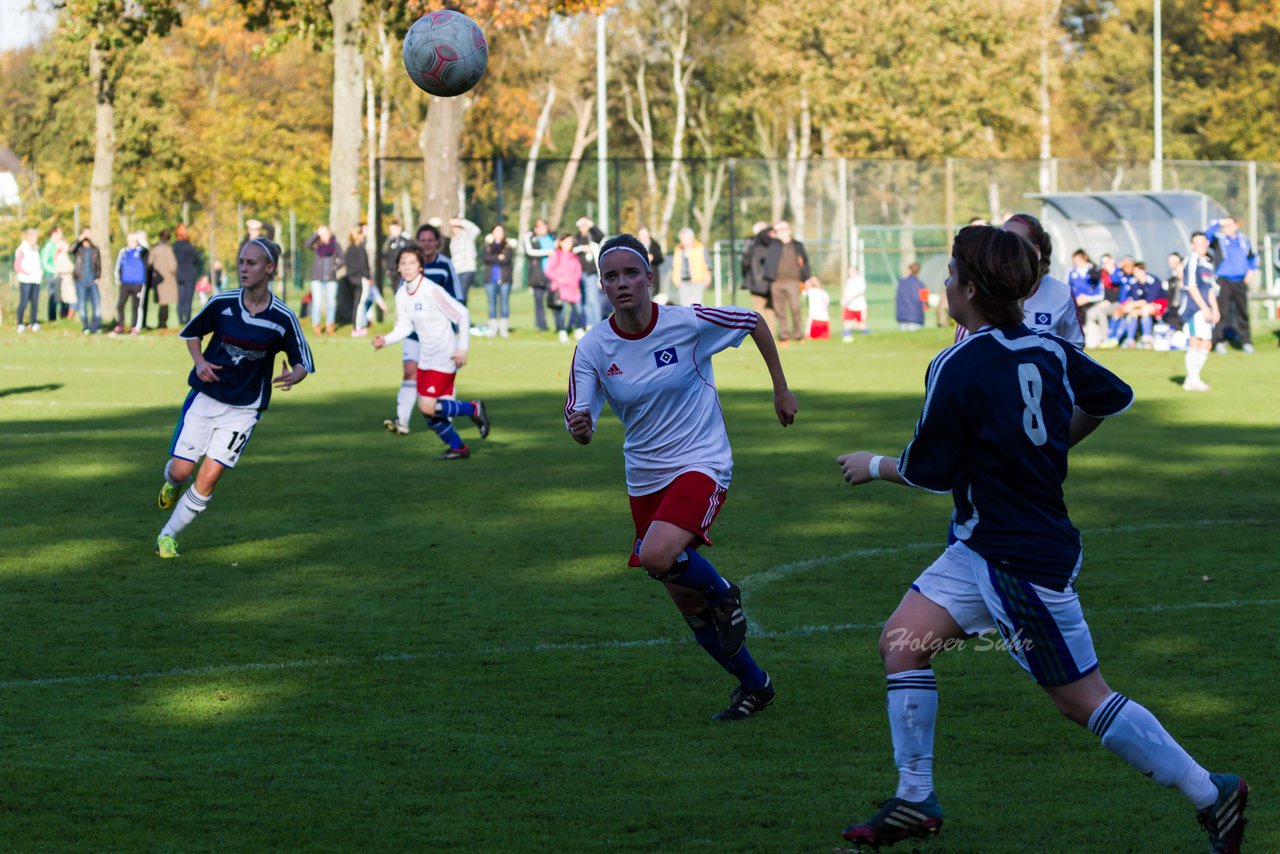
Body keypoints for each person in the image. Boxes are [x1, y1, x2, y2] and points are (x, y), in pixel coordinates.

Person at [835, 224, 1248, 851]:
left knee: (1082, 699)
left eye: (949, 275)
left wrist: (872, 464)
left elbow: (928, 470)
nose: (944, 284)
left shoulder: (956, 361)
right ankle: (915, 800)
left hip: (1017, 559)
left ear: (969, 290)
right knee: (902, 641)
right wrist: (1051, 443)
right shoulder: (1048, 347)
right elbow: (1114, 394)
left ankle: (1211, 794)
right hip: (980, 545)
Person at [565, 233, 798, 720]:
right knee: (685, 602)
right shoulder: (592, 346)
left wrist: (780, 388)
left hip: (701, 461)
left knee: (658, 554)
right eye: (612, 276)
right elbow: (580, 419)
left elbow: (754, 320)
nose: (622, 283)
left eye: (632, 273)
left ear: (651, 277)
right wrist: (581, 427)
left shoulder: (687, 322)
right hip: (644, 478)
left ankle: (726, 593)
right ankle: (756, 685)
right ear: (602, 285)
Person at [156, 237, 314, 559]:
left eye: (251, 263)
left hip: (244, 409)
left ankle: (168, 535)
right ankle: (170, 481)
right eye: (241, 261)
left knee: (210, 476)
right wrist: (200, 362)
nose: (244, 268)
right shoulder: (223, 303)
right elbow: (191, 333)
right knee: (181, 472)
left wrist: (294, 376)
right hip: (207, 397)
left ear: (269, 269)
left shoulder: (282, 317)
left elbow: (303, 362)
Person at [373, 244, 490, 460]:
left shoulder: (431, 290)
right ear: (397, 268)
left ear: (420, 267)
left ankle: (473, 409)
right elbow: (404, 327)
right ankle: (458, 448)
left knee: (427, 405)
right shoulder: (402, 295)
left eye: (412, 263)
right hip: (425, 356)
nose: (407, 267)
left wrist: (462, 348)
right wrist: (386, 340)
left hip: (445, 353)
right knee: (430, 413)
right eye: (403, 263)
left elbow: (462, 314)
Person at [383, 224, 463, 435]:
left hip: (439, 335)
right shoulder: (409, 267)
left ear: (437, 242)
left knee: (443, 380)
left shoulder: (445, 266)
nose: (427, 244)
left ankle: (448, 419)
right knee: (410, 372)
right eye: (423, 240)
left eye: (430, 240)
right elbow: (405, 299)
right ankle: (402, 421)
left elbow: (457, 301)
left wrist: (457, 340)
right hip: (413, 333)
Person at [1002, 213, 1085, 346]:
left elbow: (1075, 345)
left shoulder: (1061, 293)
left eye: (1014, 243)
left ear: (1035, 251)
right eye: (1000, 242)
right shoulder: (983, 291)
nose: (1004, 250)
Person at [1204, 216, 1258, 354]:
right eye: (1225, 226)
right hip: (1224, 280)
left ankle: (1245, 341)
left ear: (1236, 225)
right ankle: (1218, 341)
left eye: (1229, 225)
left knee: (1242, 312)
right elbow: (1206, 235)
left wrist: (1251, 272)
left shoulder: (1244, 240)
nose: (1226, 228)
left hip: (1240, 281)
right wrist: (1219, 222)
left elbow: (1253, 258)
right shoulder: (1219, 240)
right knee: (1221, 312)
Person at [1179, 232, 1221, 392]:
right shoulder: (1191, 259)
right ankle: (1193, 381)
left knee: (1206, 344)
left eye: (1203, 243)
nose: (1201, 246)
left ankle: (1193, 379)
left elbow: (1210, 289)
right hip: (1193, 309)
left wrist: (1214, 309)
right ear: (1192, 245)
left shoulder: (1208, 263)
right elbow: (1190, 286)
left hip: (1206, 309)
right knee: (1195, 341)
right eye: (1197, 243)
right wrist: (1203, 308)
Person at [762, 221, 809, 345]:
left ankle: (799, 335)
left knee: (795, 308)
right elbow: (762, 236)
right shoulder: (773, 244)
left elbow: (805, 262)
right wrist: (774, 227)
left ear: (789, 230)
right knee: (779, 310)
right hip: (776, 282)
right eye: (779, 230)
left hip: (793, 281)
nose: (782, 232)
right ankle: (784, 336)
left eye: (784, 229)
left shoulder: (797, 245)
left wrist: (806, 278)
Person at [546, 233, 584, 343]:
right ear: (561, 243)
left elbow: (578, 270)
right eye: (567, 241)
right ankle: (562, 331)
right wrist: (558, 279)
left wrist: (576, 283)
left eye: (570, 241)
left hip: (574, 288)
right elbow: (549, 270)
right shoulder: (556, 255)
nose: (569, 244)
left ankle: (578, 329)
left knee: (578, 310)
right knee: (562, 311)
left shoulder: (573, 256)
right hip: (561, 288)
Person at [306, 225, 344, 335]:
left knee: (331, 303)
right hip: (316, 278)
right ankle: (316, 326)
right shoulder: (316, 245)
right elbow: (307, 244)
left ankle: (329, 325)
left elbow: (342, 259)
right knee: (317, 302)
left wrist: (334, 267)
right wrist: (316, 234)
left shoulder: (336, 246)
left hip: (331, 279)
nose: (324, 235)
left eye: (326, 232)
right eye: (322, 234)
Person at [481, 224, 516, 338]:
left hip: (505, 279)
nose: (499, 234)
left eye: (501, 231)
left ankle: (503, 329)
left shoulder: (507, 246)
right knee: (492, 304)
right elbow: (486, 258)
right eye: (496, 231)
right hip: (490, 279)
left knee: (504, 304)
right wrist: (498, 257)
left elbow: (506, 259)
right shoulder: (488, 246)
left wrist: (496, 257)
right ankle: (493, 329)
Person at [1068, 249, 1108, 348]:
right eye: (1075, 261)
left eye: (1079, 260)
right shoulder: (1071, 272)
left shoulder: (1095, 271)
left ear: (1085, 258)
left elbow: (1101, 294)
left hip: (1092, 304)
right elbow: (1067, 289)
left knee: (1093, 313)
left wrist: (1088, 298)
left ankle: (1104, 338)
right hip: (1076, 305)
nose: (1077, 263)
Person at [522, 218, 555, 332]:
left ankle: (559, 326)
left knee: (555, 300)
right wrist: (548, 252)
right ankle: (541, 326)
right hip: (538, 276)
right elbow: (530, 252)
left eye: (544, 226)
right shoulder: (531, 239)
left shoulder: (552, 237)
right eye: (540, 226)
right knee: (539, 302)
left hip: (553, 275)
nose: (544, 228)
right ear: (535, 229)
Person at [113, 232, 149, 334]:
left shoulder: (141, 251)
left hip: (138, 283)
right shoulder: (124, 251)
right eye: (130, 240)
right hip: (125, 283)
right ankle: (120, 325)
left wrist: (140, 240)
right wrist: (118, 279)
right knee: (120, 304)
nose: (131, 242)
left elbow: (146, 248)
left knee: (136, 306)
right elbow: (118, 266)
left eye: (134, 240)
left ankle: (135, 327)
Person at [572, 216, 605, 324]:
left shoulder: (593, 236)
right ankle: (588, 323)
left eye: (586, 225)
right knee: (584, 299)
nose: (584, 228)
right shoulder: (577, 238)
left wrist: (592, 226)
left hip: (591, 273)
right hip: (579, 273)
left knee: (593, 299)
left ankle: (596, 323)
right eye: (582, 226)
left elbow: (601, 236)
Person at [741, 221, 774, 326]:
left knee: (761, 310)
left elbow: (744, 262)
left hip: (757, 281)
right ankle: (768, 335)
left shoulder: (750, 243)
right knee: (767, 310)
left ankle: (764, 334)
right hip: (765, 281)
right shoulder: (773, 243)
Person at [72, 227, 103, 334]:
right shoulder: (78, 249)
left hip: (92, 280)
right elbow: (70, 250)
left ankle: (96, 326)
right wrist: (79, 239)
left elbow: (98, 265)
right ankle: (86, 326)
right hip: (80, 280)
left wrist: (98, 277)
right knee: (82, 304)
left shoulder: (95, 249)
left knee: (97, 304)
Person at [670, 227, 711, 308]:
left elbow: (708, 264)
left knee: (697, 306)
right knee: (685, 306)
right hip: (683, 282)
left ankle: (698, 320)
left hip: (698, 281)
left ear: (692, 238)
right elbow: (675, 266)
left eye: (687, 238)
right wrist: (676, 280)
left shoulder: (700, 248)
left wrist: (707, 276)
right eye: (683, 238)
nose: (685, 240)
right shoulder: (678, 250)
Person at [344, 225, 373, 337]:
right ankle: (357, 328)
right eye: (360, 233)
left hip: (353, 279)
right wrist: (368, 277)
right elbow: (363, 265)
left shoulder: (350, 249)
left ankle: (358, 326)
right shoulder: (359, 249)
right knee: (359, 303)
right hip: (360, 279)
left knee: (357, 303)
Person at [448, 216, 481, 309]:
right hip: (457, 271)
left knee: (460, 295)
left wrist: (459, 222)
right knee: (459, 296)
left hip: (467, 269)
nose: (455, 229)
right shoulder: (453, 240)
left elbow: (476, 229)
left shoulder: (467, 235)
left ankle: (461, 318)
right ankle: (463, 318)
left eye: (457, 226)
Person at [13, 227, 43, 333]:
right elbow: (17, 266)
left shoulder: (35, 248)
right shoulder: (21, 249)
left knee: (35, 302)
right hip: (25, 280)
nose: (36, 239)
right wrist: (27, 273)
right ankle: (20, 324)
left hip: (35, 280)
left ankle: (33, 322)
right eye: (35, 237)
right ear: (29, 237)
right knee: (24, 302)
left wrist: (38, 273)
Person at [150, 230, 179, 330]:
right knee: (165, 302)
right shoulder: (168, 249)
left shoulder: (154, 249)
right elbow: (172, 266)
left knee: (161, 301)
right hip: (167, 278)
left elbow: (150, 263)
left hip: (157, 278)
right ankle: (163, 323)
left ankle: (160, 322)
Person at [173, 224, 201, 326]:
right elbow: (197, 259)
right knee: (188, 299)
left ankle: (180, 320)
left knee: (180, 298)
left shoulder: (174, 246)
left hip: (179, 274)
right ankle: (187, 320)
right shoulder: (189, 246)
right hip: (190, 274)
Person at [40, 226, 65, 321]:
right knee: (53, 296)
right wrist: (55, 271)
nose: (61, 235)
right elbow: (45, 262)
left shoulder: (57, 245)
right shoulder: (49, 246)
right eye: (60, 233)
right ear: (54, 234)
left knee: (61, 296)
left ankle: (63, 318)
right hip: (51, 275)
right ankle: (52, 319)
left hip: (59, 274)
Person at [52, 229, 77, 321]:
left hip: (67, 279)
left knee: (67, 301)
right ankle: (68, 319)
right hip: (66, 279)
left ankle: (66, 319)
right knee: (71, 300)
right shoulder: (61, 256)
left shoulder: (66, 256)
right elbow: (67, 268)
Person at [841, 265, 868, 343]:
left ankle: (866, 334)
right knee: (847, 324)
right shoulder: (849, 281)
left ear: (856, 271)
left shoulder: (860, 280)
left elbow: (859, 292)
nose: (850, 273)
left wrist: (850, 298)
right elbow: (846, 291)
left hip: (859, 306)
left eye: (852, 271)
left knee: (861, 325)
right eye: (849, 271)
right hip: (849, 307)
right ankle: (847, 334)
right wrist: (844, 300)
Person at [895, 263, 926, 331]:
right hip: (916, 318)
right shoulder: (921, 285)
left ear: (909, 270)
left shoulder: (901, 283)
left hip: (902, 317)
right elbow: (925, 303)